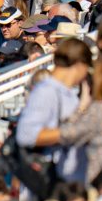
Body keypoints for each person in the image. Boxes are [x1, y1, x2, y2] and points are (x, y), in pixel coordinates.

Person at [16, 39, 92, 186]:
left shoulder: (62, 91)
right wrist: (71, 131)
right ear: (79, 65)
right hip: (53, 183)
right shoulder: (46, 90)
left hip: (67, 182)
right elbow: (26, 134)